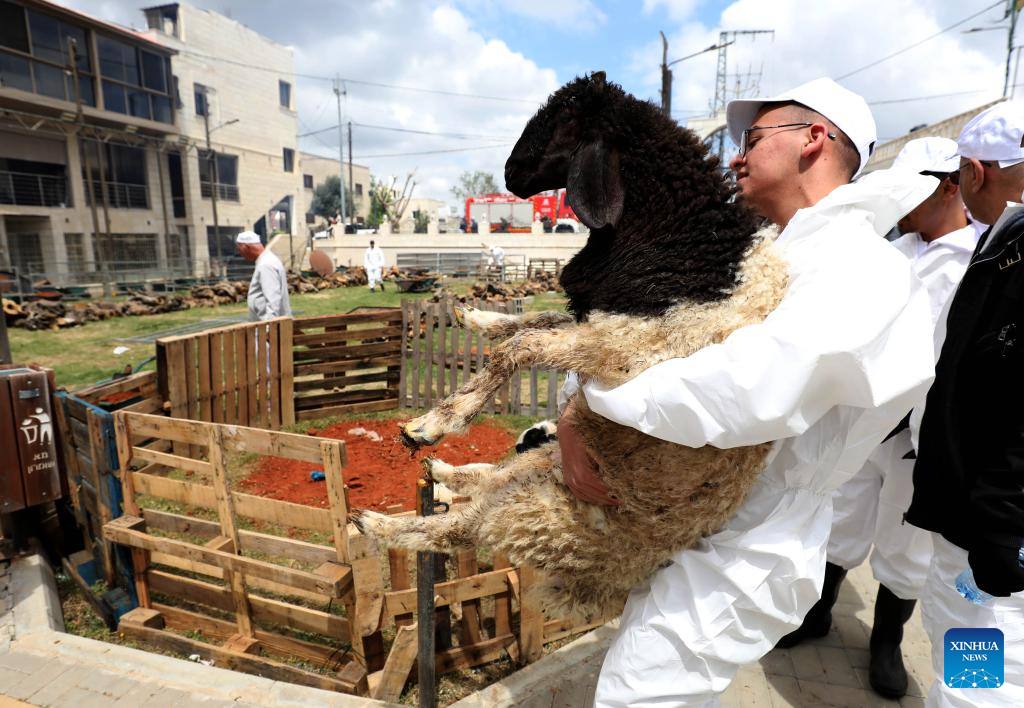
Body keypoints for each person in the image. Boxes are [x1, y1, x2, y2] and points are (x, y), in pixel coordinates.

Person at [555, 77, 939, 706]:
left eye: (752, 139)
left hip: (750, 547)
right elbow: (649, 337)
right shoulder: (767, 254)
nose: (736, 158)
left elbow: (749, 387)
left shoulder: (864, 268)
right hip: (694, 523)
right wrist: (580, 404)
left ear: (814, 138)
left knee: (636, 693)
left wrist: (593, 402)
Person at [781, 137, 978, 699]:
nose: (903, 202)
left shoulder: (978, 257)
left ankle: (887, 641)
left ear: (951, 186)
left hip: (922, 433)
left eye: (916, 189)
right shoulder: (895, 249)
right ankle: (819, 610)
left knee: (905, 537)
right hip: (866, 416)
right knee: (842, 514)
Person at [906, 101, 1024, 707]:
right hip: (985, 522)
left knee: (977, 682)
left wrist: (1000, 529)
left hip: (990, 539)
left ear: (974, 173)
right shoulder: (1007, 242)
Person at [236, 231, 290, 322]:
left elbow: (272, 299)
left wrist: (270, 325)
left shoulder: (265, 265)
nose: (240, 253)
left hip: (267, 324)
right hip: (266, 324)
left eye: (239, 249)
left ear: (246, 247)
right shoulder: (268, 260)